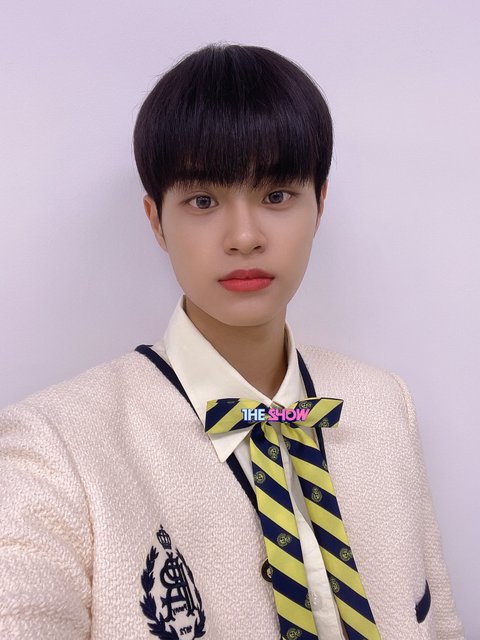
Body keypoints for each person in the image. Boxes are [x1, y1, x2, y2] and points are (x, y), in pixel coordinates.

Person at [0, 43, 464, 640]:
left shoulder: (382, 403)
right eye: (203, 201)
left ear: (319, 204)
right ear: (155, 220)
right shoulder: (53, 445)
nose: (244, 236)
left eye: (276, 196)